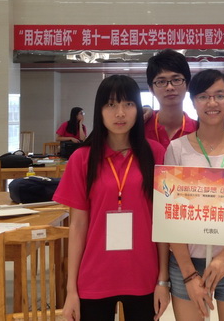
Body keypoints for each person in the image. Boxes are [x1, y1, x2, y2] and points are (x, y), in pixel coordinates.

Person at [53, 75, 170, 321]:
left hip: (143, 275)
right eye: (111, 104)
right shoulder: (82, 158)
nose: (120, 113)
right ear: (99, 110)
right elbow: (78, 226)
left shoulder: (155, 153)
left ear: (138, 109)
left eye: (128, 104)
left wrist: (163, 280)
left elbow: (162, 223)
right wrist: (71, 290)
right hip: (94, 276)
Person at [164, 69, 224, 321]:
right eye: (203, 96)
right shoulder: (176, 149)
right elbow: (168, 217)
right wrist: (188, 273)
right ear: (192, 101)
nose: (212, 103)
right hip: (187, 262)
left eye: (220, 95)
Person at [145, 49, 197, 147]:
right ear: (151, 89)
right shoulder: (139, 130)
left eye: (176, 80)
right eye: (161, 82)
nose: (170, 87)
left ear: (187, 85)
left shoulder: (199, 131)